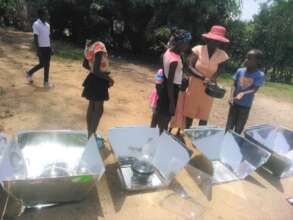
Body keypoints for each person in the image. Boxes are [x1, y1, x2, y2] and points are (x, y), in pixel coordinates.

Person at [171, 25, 230, 130]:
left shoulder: (222, 55)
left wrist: (213, 77)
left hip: (209, 90)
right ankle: (184, 132)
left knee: (204, 115)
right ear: (208, 39)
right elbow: (189, 66)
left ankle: (199, 138)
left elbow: (221, 70)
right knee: (189, 112)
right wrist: (203, 77)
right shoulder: (198, 49)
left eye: (218, 41)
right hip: (194, 86)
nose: (215, 43)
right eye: (213, 40)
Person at [156, 30, 191, 133]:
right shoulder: (174, 61)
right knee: (165, 120)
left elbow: (167, 74)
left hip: (164, 88)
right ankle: (161, 140)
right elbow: (170, 83)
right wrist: (171, 103)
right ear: (180, 43)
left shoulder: (168, 52)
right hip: (170, 91)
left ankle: (160, 137)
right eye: (186, 43)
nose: (187, 46)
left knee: (162, 117)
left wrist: (181, 76)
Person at [225, 49, 265, 134]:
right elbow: (234, 85)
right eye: (246, 57)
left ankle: (234, 144)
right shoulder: (240, 71)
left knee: (238, 129)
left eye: (249, 58)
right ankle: (225, 143)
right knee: (228, 127)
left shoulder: (260, 75)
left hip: (245, 106)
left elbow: (254, 89)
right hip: (234, 104)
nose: (246, 60)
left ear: (257, 61)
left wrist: (243, 93)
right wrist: (231, 96)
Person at [82, 40, 114, 139]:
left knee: (92, 106)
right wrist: (109, 79)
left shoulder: (89, 45)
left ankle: (90, 133)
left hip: (92, 78)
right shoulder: (99, 46)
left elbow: (85, 64)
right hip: (99, 79)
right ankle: (92, 136)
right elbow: (97, 70)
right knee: (98, 109)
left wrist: (93, 67)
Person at [26, 8, 53, 88]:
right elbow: (35, 37)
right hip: (41, 48)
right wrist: (38, 49)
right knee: (44, 64)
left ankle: (30, 73)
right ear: (41, 15)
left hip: (47, 47)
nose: (47, 16)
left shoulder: (48, 25)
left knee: (44, 64)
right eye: (45, 14)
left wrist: (51, 47)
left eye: (47, 14)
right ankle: (45, 82)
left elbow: (48, 37)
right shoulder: (36, 24)